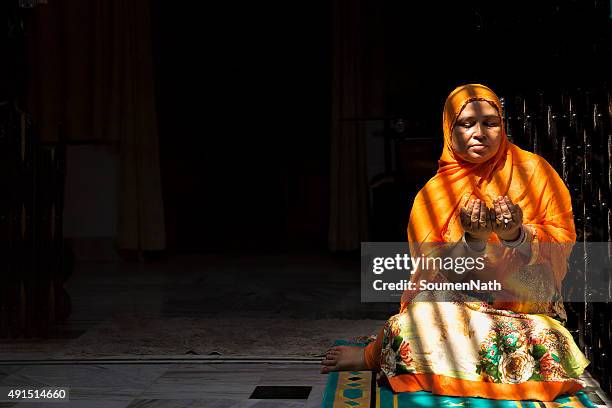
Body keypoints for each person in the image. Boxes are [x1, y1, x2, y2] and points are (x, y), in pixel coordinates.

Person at [320, 84, 589, 401]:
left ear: (503, 125)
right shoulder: (434, 194)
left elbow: (561, 243)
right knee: (413, 327)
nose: (480, 133)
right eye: (467, 124)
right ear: (449, 129)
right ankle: (371, 356)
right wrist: (471, 242)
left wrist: (517, 236)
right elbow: (432, 273)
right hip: (457, 307)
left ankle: (399, 358)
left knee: (547, 340)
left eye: (490, 123)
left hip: (522, 309)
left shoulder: (535, 171)